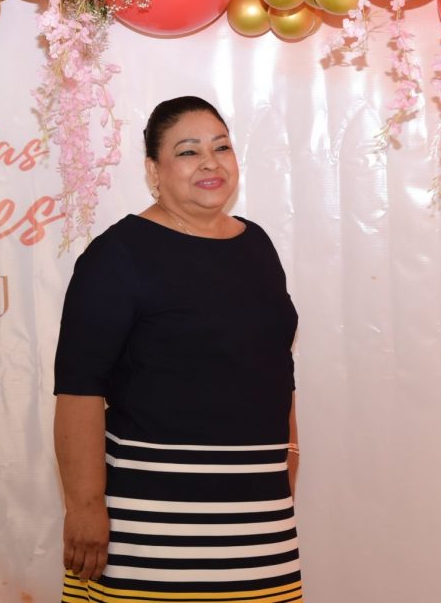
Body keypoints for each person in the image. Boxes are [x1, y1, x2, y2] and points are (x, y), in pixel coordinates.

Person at [53, 96, 303, 603]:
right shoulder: (117, 255)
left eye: (221, 147)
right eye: (188, 152)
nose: (210, 163)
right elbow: (79, 390)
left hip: (258, 520)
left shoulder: (257, 245)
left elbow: (276, 367)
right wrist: (85, 506)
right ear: (153, 170)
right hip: (146, 523)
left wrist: (289, 459)